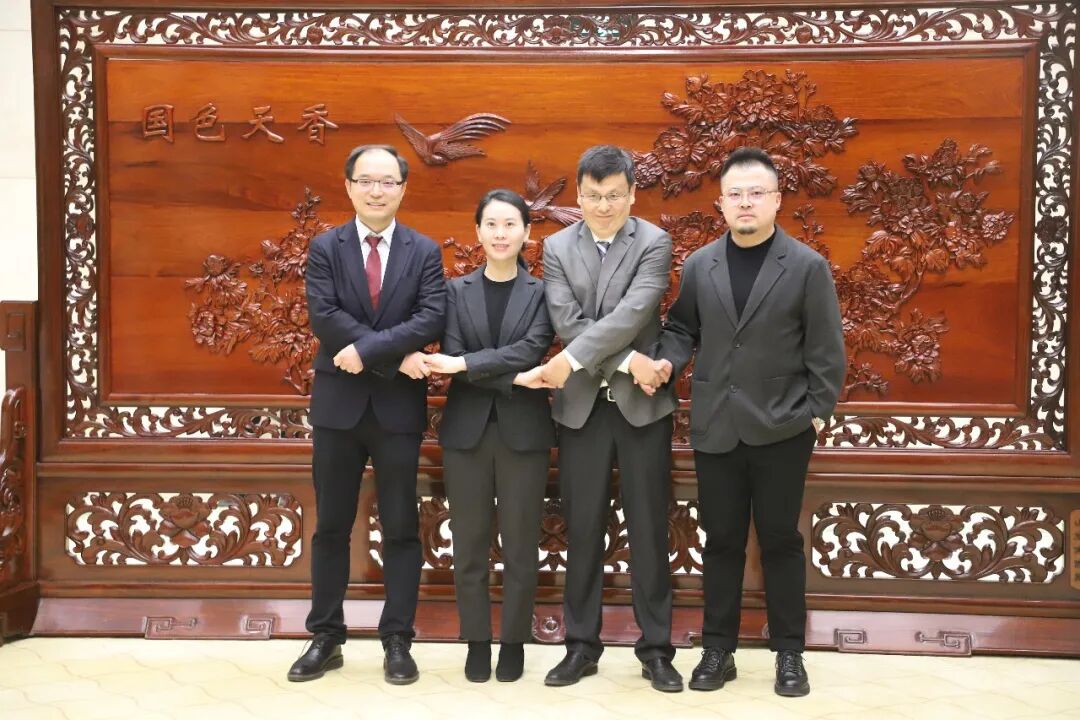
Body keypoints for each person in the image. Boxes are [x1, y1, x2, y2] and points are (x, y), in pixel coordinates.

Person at [653, 146, 845, 697]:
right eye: (735, 193)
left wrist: (815, 416)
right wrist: (667, 362)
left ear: (777, 200)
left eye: (756, 192)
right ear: (720, 203)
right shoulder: (700, 264)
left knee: (781, 541)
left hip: (784, 428)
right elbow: (683, 329)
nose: (745, 202)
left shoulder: (806, 266)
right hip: (717, 425)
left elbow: (827, 351)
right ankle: (718, 650)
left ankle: (789, 653)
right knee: (721, 542)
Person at [289, 144, 447, 685]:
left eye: (387, 182)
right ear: (349, 186)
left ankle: (398, 639)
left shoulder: (423, 250)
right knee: (332, 526)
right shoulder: (325, 247)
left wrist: (368, 352)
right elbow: (324, 315)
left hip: (398, 409)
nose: (376, 190)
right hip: (339, 407)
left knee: (401, 526)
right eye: (366, 180)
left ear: (403, 188)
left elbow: (431, 315)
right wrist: (392, 355)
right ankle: (325, 637)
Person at [535, 145, 682, 692]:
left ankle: (656, 650)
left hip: (642, 408)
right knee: (583, 531)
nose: (603, 206)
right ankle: (581, 646)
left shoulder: (654, 242)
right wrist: (626, 361)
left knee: (649, 530)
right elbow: (565, 320)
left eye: (614, 195)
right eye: (594, 196)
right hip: (582, 410)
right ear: (578, 195)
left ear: (632, 194)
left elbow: (634, 312)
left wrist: (593, 359)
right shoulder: (555, 246)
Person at [424, 189, 556, 683]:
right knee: (470, 543)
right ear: (477, 232)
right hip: (467, 433)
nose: (501, 234)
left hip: (524, 433)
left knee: (521, 546)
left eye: (510, 225)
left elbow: (532, 348)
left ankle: (514, 642)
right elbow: (454, 355)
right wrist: (512, 376)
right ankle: (477, 641)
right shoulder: (455, 291)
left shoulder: (542, 292)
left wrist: (467, 366)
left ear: (527, 233)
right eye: (492, 225)